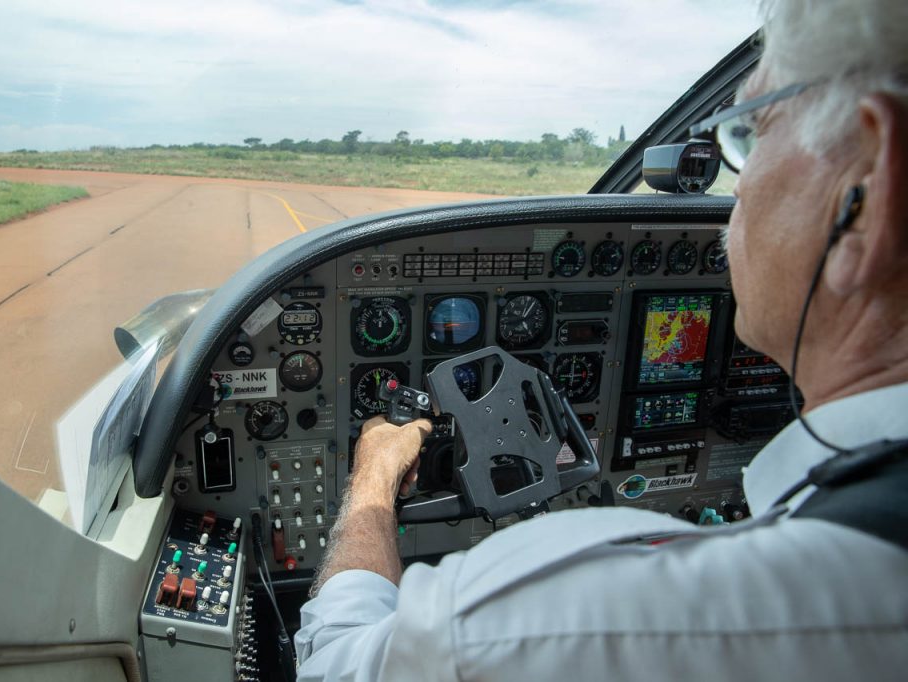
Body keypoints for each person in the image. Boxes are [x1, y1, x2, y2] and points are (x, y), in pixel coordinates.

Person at [294, 0, 908, 679]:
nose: (734, 201)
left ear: (867, 195)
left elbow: (338, 662)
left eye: (754, 134)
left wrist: (374, 478)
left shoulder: (595, 614)